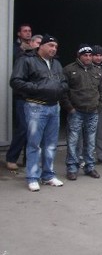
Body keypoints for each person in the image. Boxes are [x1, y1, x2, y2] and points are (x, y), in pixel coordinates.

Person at [9, 34, 67, 191]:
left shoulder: (56, 64)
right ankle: (32, 177)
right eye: (51, 45)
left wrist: (62, 88)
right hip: (36, 106)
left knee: (50, 144)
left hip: (54, 107)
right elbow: (15, 81)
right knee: (34, 144)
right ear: (41, 46)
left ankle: (48, 175)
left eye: (55, 46)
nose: (53, 49)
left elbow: (63, 81)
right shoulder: (26, 60)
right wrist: (38, 89)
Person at [61, 44, 102, 180]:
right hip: (76, 112)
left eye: (90, 55)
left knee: (90, 141)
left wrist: (100, 105)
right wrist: (69, 108)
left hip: (93, 112)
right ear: (79, 56)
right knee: (73, 141)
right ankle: (72, 168)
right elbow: (63, 91)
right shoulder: (69, 70)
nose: (88, 58)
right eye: (85, 55)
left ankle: (89, 167)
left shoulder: (97, 71)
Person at [5, 32, 41, 172]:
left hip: (38, 100)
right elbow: (17, 81)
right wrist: (32, 89)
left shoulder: (45, 61)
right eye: (37, 43)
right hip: (24, 99)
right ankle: (11, 158)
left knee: (35, 131)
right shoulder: (22, 58)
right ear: (31, 44)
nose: (39, 46)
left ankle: (29, 160)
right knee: (23, 129)